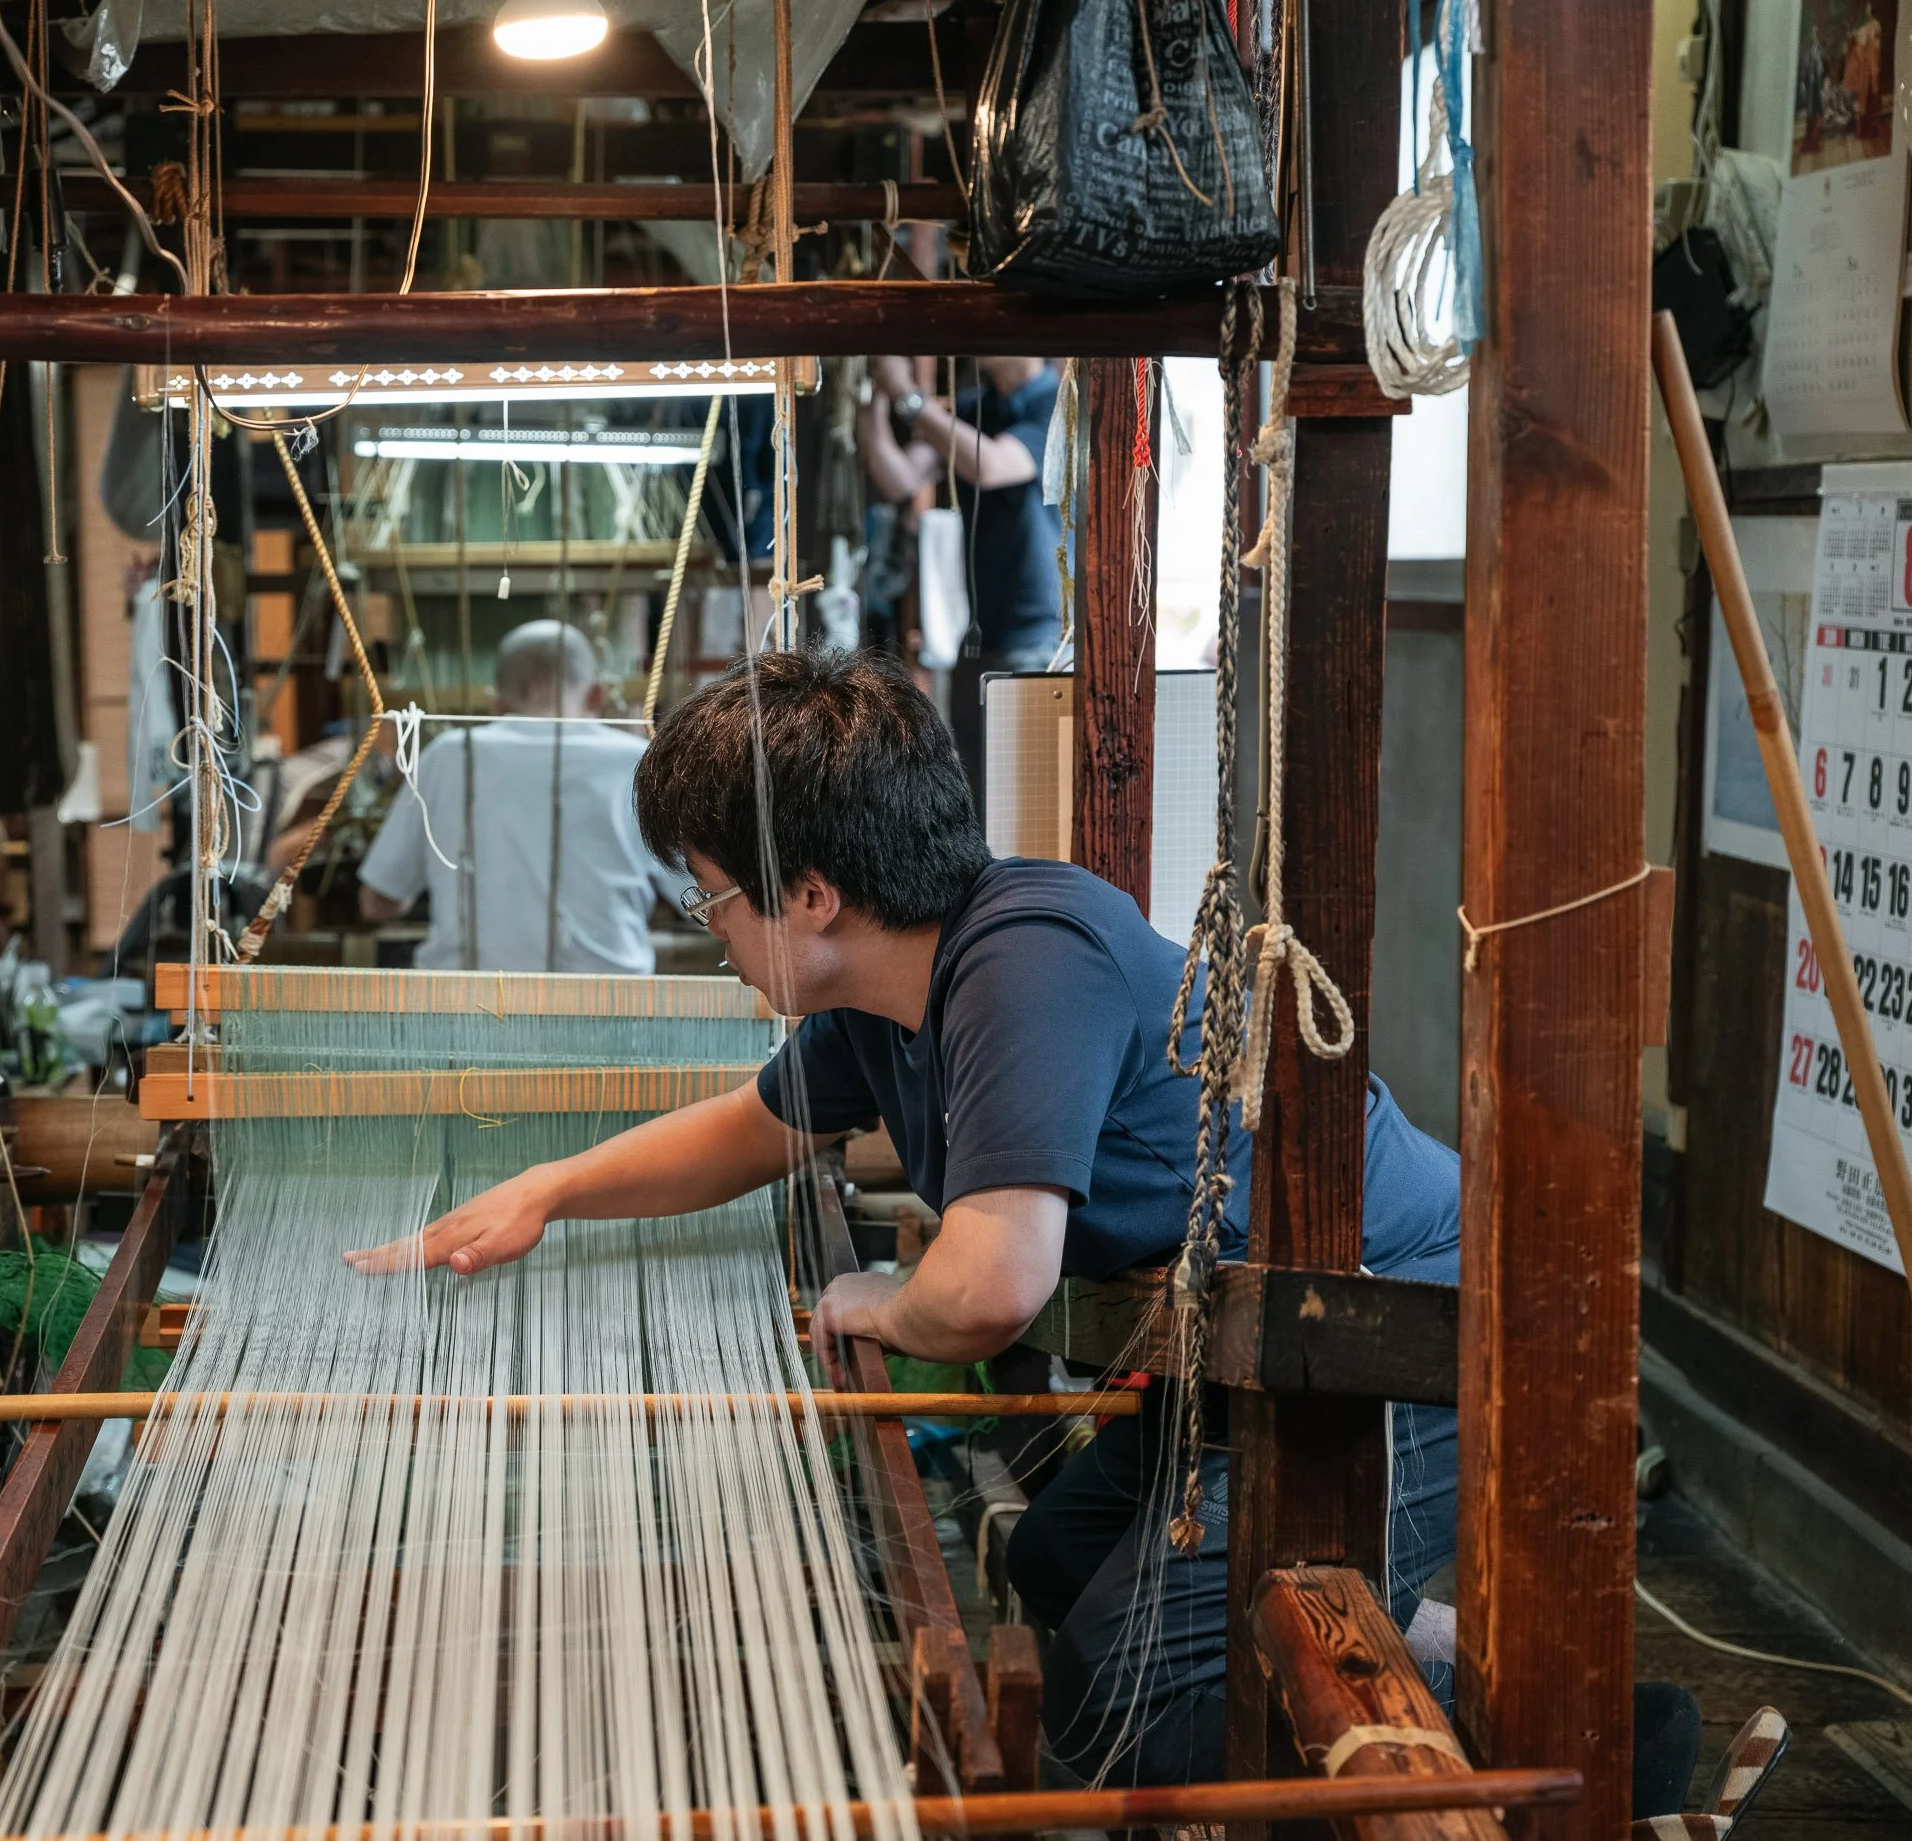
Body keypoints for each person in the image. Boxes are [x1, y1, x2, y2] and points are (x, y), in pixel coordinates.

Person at [349, 649, 1461, 1787]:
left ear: (814, 895)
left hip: (1380, 1322)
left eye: (711, 895)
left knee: (1122, 1691)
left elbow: (988, 1288)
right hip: (1239, 1335)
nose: (710, 927)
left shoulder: (1024, 961)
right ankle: (1431, 1665)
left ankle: (1509, 1730)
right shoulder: (887, 993)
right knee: (1058, 1552)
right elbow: (749, 1128)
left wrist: (879, 1296)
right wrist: (545, 1194)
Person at [358, 620, 683, 973]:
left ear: (496, 704)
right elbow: (702, 897)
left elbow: (377, 903)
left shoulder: (448, 755)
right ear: (597, 695)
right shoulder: (639, 763)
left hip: (463, 1006)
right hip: (610, 1004)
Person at [859, 355, 1066, 788]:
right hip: (976, 637)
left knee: (1023, 792)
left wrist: (909, 397)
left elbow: (990, 466)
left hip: (1038, 636)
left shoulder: (1058, 403)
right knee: (972, 788)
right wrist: (874, 399)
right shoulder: (973, 410)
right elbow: (898, 478)